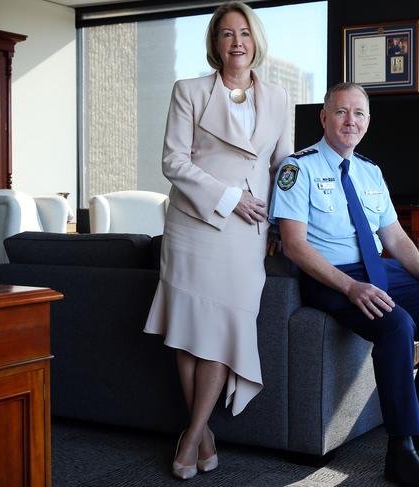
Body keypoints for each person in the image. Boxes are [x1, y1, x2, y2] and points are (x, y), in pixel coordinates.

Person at [269, 82, 419, 487]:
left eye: (358, 113)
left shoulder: (369, 171)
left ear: (367, 122)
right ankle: (400, 452)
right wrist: (350, 287)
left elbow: (394, 237)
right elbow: (293, 245)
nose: (350, 121)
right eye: (341, 112)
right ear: (324, 118)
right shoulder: (298, 168)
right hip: (331, 274)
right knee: (398, 325)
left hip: (378, 269)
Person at [144, 1, 292, 480]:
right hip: (194, 225)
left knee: (222, 332)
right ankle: (202, 435)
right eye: (227, 34)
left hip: (247, 234)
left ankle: (192, 434)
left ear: (256, 41)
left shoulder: (280, 99)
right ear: (215, 43)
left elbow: (283, 168)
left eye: (244, 33)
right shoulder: (188, 91)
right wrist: (230, 198)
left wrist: (277, 225)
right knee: (188, 334)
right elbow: (174, 161)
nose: (237, 42)